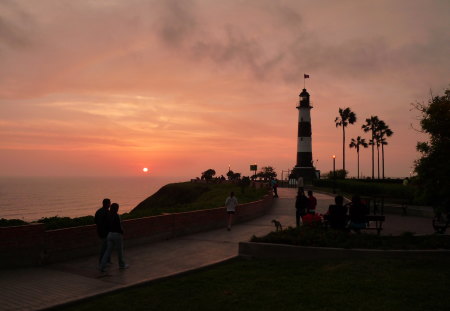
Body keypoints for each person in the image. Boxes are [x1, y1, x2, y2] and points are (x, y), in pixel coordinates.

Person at [100, 203, 128, 272]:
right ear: (116, 208)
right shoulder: (117, 215)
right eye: (118, 207)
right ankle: (122, 265)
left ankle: (102, 266)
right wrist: (122, 232)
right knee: (120, 251)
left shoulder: (108, 215)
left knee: (108, 251)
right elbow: (119, 226)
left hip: (110, 234)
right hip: (117, 235)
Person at [94, 198, 111, 267]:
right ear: (106, 204)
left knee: (107, 247)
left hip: (100, 232)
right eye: (109, 203)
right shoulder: (107, 212)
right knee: (105, 247)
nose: (110, 205)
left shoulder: (98, 211)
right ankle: (102, 261)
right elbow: (109, 223)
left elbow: (95, 221)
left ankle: (107, 260)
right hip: (105, 233)